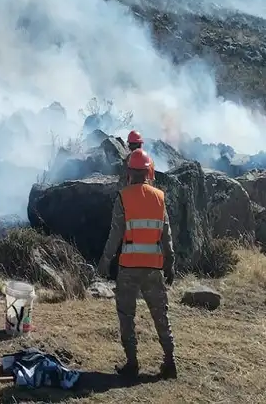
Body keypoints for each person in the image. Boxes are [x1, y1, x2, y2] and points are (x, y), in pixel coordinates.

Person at [98, 149, 177, 380]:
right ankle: (170, 362)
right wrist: (170, 263)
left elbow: (116, 234)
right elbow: (166, 235)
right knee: (160, 314)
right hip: (153, 267)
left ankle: (132, 364)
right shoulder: (159, 197)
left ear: (130, 172)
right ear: (148, 171)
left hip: (129, 267)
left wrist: (105, 261)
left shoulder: (123, 197)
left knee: (126, 315)